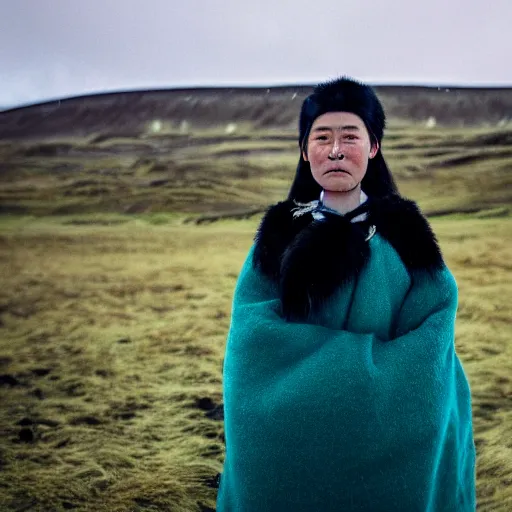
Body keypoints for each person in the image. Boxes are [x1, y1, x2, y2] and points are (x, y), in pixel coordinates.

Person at [215, 76, 476, 511]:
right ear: (304, 150)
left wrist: (339, 381)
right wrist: (362, 375)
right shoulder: (280, 236)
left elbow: (433, 327)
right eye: (322, 137)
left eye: (350, 136)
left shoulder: (407, 237)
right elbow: (252, 338)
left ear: (373, 147)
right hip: (291, 427)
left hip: (393, 431)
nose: (336, 150)